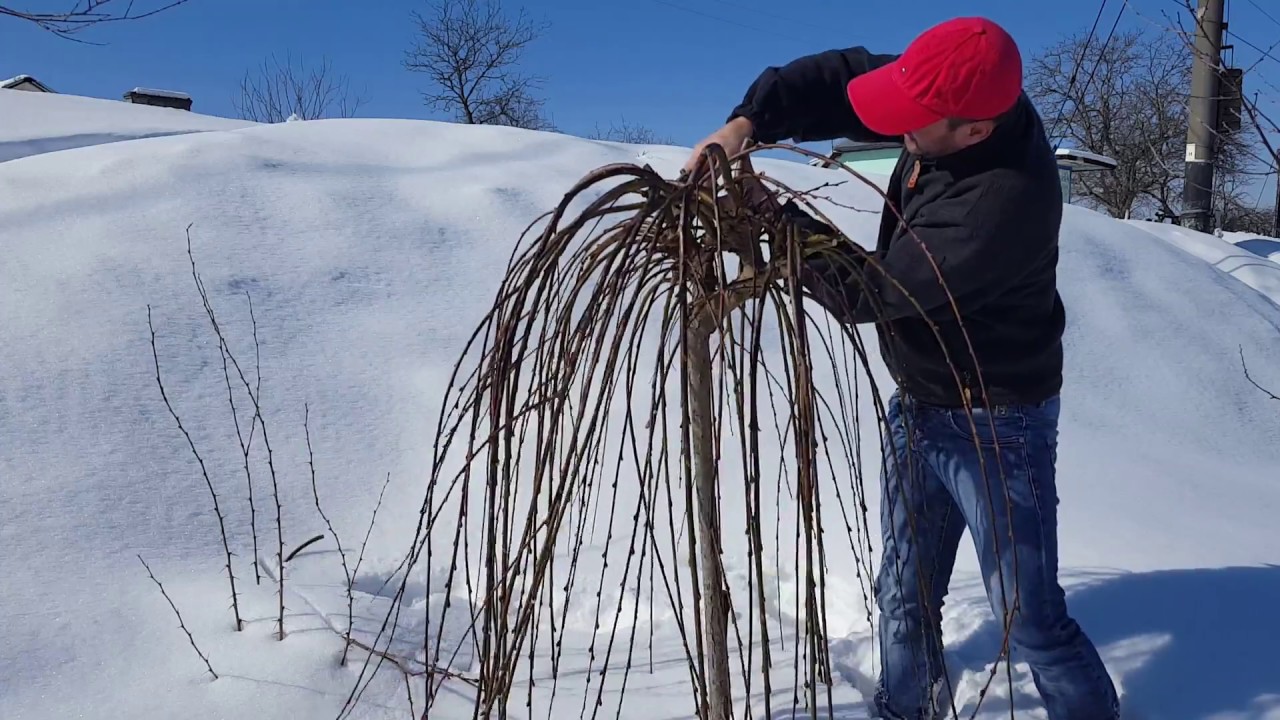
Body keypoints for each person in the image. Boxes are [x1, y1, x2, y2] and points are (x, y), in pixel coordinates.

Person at [682, 16, 1121, 720]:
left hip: (997, 422)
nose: (898, 131)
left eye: (915, 123)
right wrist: (745, 125)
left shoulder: (1001, 203)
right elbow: (840, 79)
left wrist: (774, 218)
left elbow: (878, 292)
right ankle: (904, 710)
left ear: (975, 131)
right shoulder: (963, 89)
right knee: (902, 591)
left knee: (1028, 621)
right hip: (919, 399)